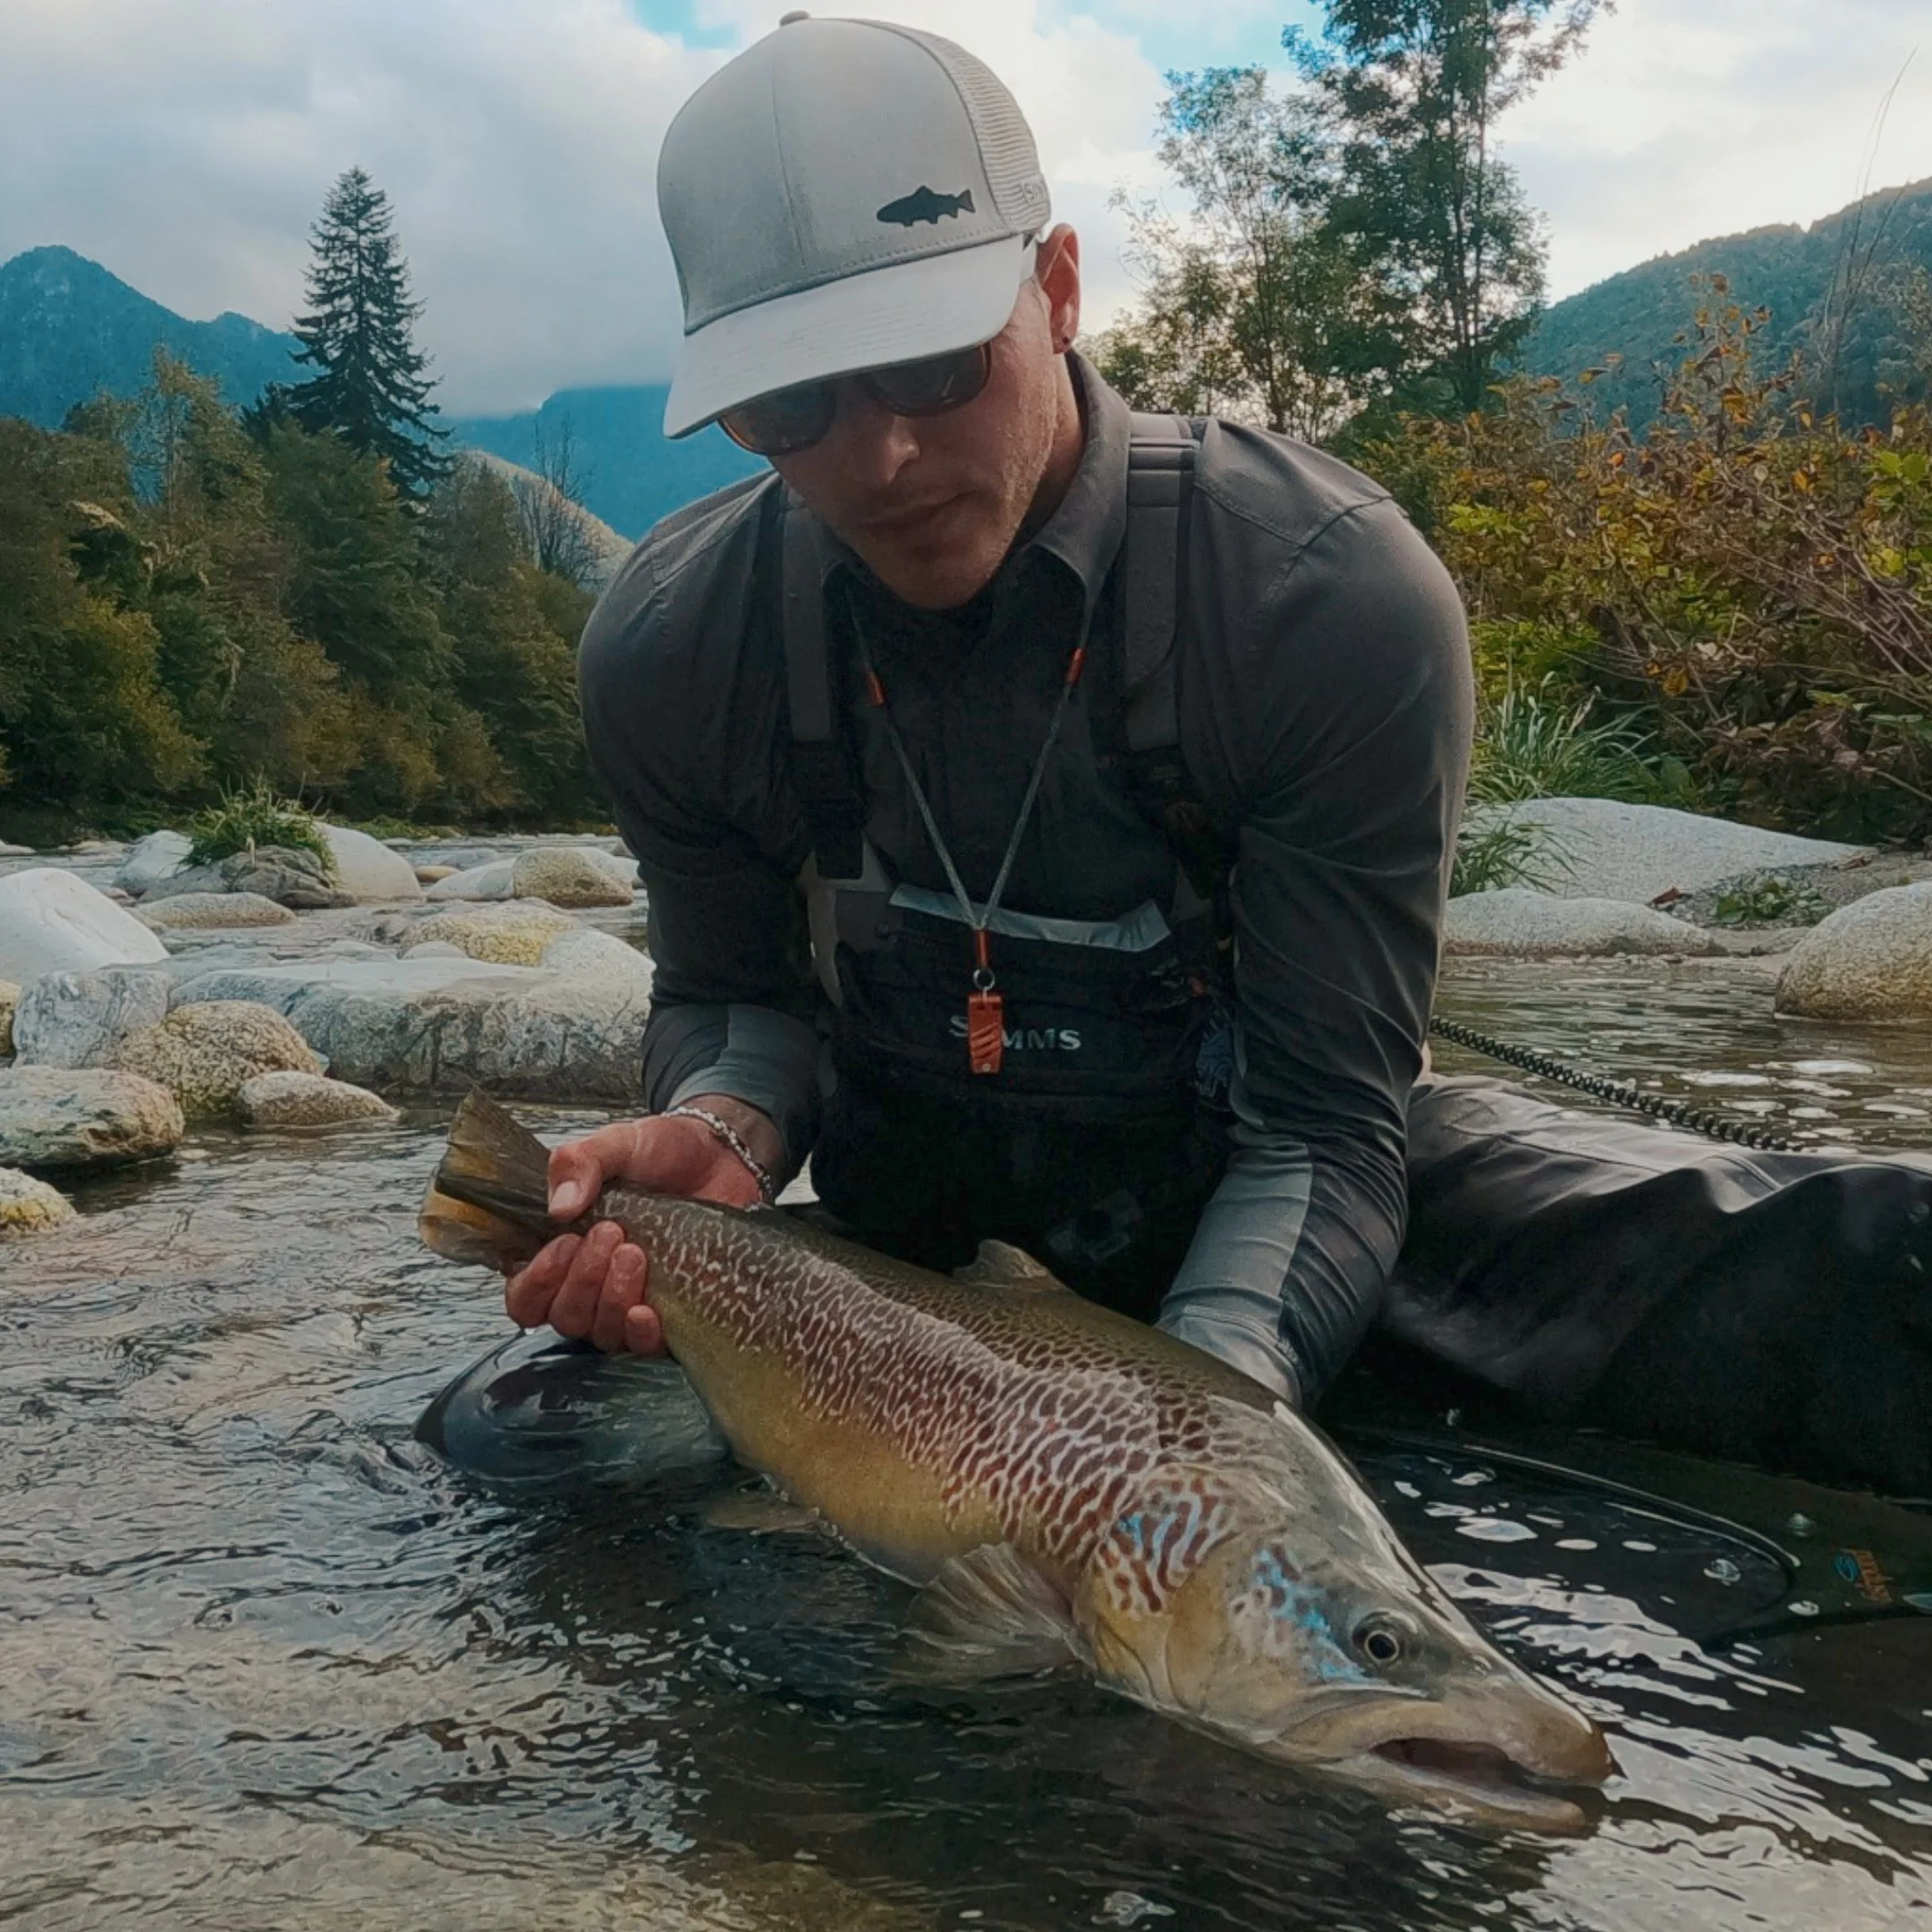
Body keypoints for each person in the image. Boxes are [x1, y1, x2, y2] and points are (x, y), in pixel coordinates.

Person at [485, 13, 1932, 1498]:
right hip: (906, 1267)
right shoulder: (672, 646)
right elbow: (733, 998)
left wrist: (1174, 1457)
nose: (877, 460)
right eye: (790, 403)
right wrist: (723, 1128)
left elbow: (1322, 1127)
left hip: (1287, 1188)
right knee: (516, 1442)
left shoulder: (1323, 599)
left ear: (1055, 289)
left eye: (926, 364)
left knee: (1889, 1288)